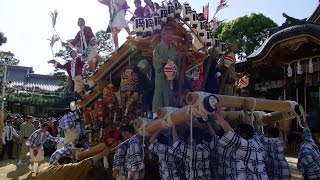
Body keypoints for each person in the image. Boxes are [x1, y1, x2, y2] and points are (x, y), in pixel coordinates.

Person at [213, 103, 268, 179]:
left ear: (244, 135)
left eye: (238, 132)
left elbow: (230, 132)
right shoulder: (256, 142)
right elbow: (250, 125)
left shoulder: (245, 146)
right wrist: (244, 110)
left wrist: (218, 114)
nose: (237, 134)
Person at [36, 147, 110, 180]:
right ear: (65, 163)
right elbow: (85, 163)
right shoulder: (66, 168)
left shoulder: (50, 167)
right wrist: (103, 153)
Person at [152, 27, 178, 112]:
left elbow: (175, 61)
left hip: (169, 76)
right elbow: (155, 60)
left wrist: (173, 69)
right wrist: (163, 61)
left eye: (172, 34)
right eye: (168, 33)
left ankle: (169, 111)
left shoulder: (172, 48)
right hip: (160, 75)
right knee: (159, 93)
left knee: (169, 93)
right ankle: (156, 113)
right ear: (163, 35)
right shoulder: (158, 47)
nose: (171, 36)